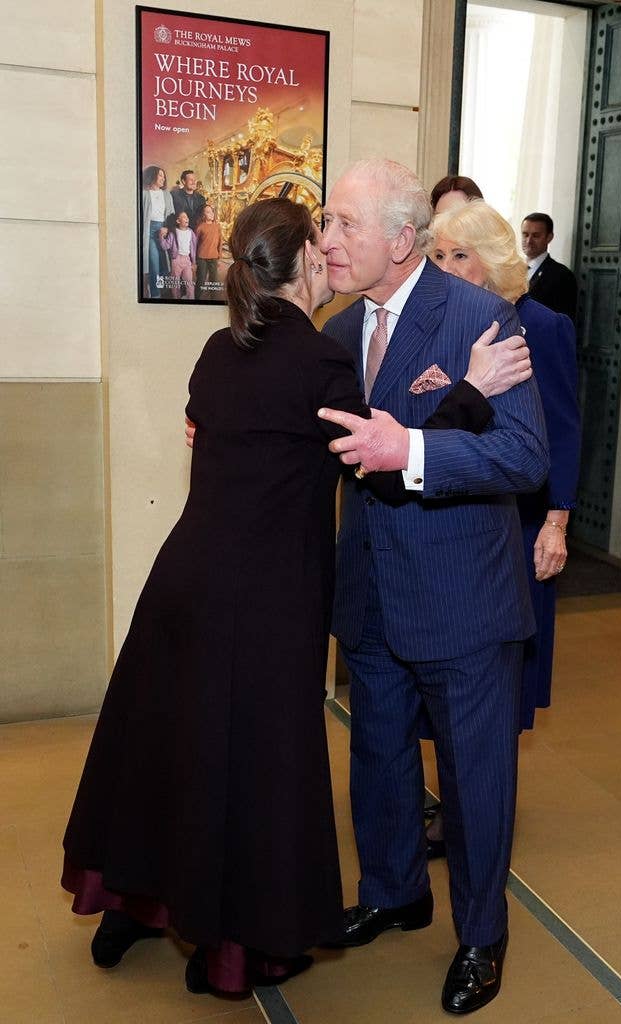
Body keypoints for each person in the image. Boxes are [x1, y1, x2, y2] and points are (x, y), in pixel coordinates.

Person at [62, 198, 373, 996]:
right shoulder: (321, 365)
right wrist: (466, 397)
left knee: (161, 748)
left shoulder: (216, 349)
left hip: (182, 581)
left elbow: (211, 427)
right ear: (305, 262)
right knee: (247, 769)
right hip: (266, 601)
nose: (334, 250)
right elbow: (377, 458)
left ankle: (130, 906)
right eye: (324, 237)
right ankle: (229, 949)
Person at [317, 160, 549, 1016]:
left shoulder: (478, 318)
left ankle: (482, 936)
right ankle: (392, 891)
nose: (328, 239)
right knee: (375, 755)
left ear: (400, 238)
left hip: (461, 597)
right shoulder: (341, 330)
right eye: (326, 224)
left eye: (343, 224)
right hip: (370, 592)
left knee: (473, 777)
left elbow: (525, 458)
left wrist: (410, 451)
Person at [415, 201, 581, 858]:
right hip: (456, 517)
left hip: (519, 520)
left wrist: (557, 523)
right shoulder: (439, 324)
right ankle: (456, 801)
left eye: (461, 255)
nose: (447, 269)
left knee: (498, 682)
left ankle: (478, 813)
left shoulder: (540, 325)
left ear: (494, 258)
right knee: (449, 672)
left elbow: (561, 428)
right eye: (437, 257)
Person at [521, 212, 578, 322]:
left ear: (549, 237)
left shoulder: (562, 276)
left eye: (536, 235)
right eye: (525, 234)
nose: (529, 241)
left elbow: (563, 322)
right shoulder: (512, 269)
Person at [141, 165, 174, 299]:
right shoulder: (143, 193)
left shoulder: (167, 194)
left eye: (163, 176)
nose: (163, 178)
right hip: (149, 231)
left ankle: (162, 291)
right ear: (152, 176)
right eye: (160, 175)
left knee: (164, 265)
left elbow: (172, 214)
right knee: (153, 263)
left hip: (163, 230)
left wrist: (167, 228)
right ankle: (155, 294)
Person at [160, 210, 197, 300]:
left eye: (187, 217)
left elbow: (193, 248)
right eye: (184, 217)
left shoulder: (191, 232)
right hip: (176, 260)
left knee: (189, 283)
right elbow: (165, 246)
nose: (186, 218)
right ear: (178, 221)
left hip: (187, 260)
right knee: (175, 283)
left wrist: (194, 262)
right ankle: (176, 300)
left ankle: (191, 300)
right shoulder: (173, 233)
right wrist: (161, 236)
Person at [195, 204, 223, 299]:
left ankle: (214, 301)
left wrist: (219, 256)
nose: (210, 214)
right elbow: (195, 243)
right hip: (202, 257)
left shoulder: (217, 227)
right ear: (204, 215)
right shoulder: (200, 227)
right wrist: (194, 260)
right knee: (201, 280)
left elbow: (220, 242)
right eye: (207, 212)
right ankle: (196, 299)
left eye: (211, 211)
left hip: (214, 257)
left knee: (214, 281)